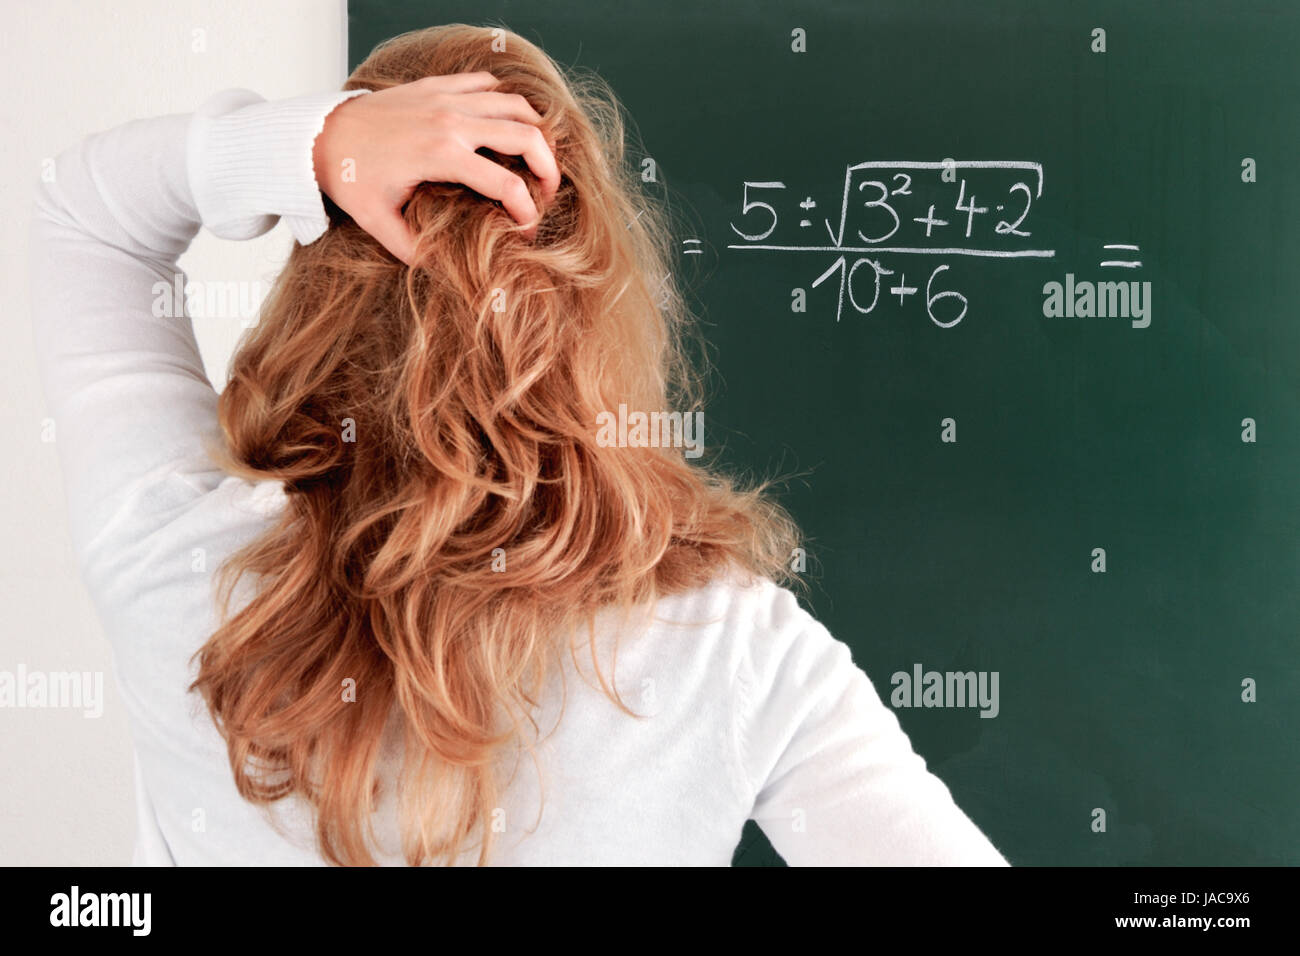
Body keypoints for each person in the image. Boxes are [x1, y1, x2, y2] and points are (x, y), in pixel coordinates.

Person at [28, 23, 1009, 866]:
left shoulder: (179, 554)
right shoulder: (732, 653)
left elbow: (82, 214)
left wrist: (320, 143)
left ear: (321, 265)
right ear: (593, 291)